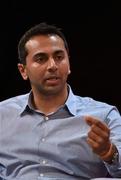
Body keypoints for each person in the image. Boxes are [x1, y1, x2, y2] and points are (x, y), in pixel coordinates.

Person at [0, 22, 121, 180]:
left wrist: (109, 153)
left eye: (59, 57)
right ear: (23, 71)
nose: (52, 66)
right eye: (41, 59)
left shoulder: (104, 116)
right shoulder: (2, 114)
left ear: (68, 63)